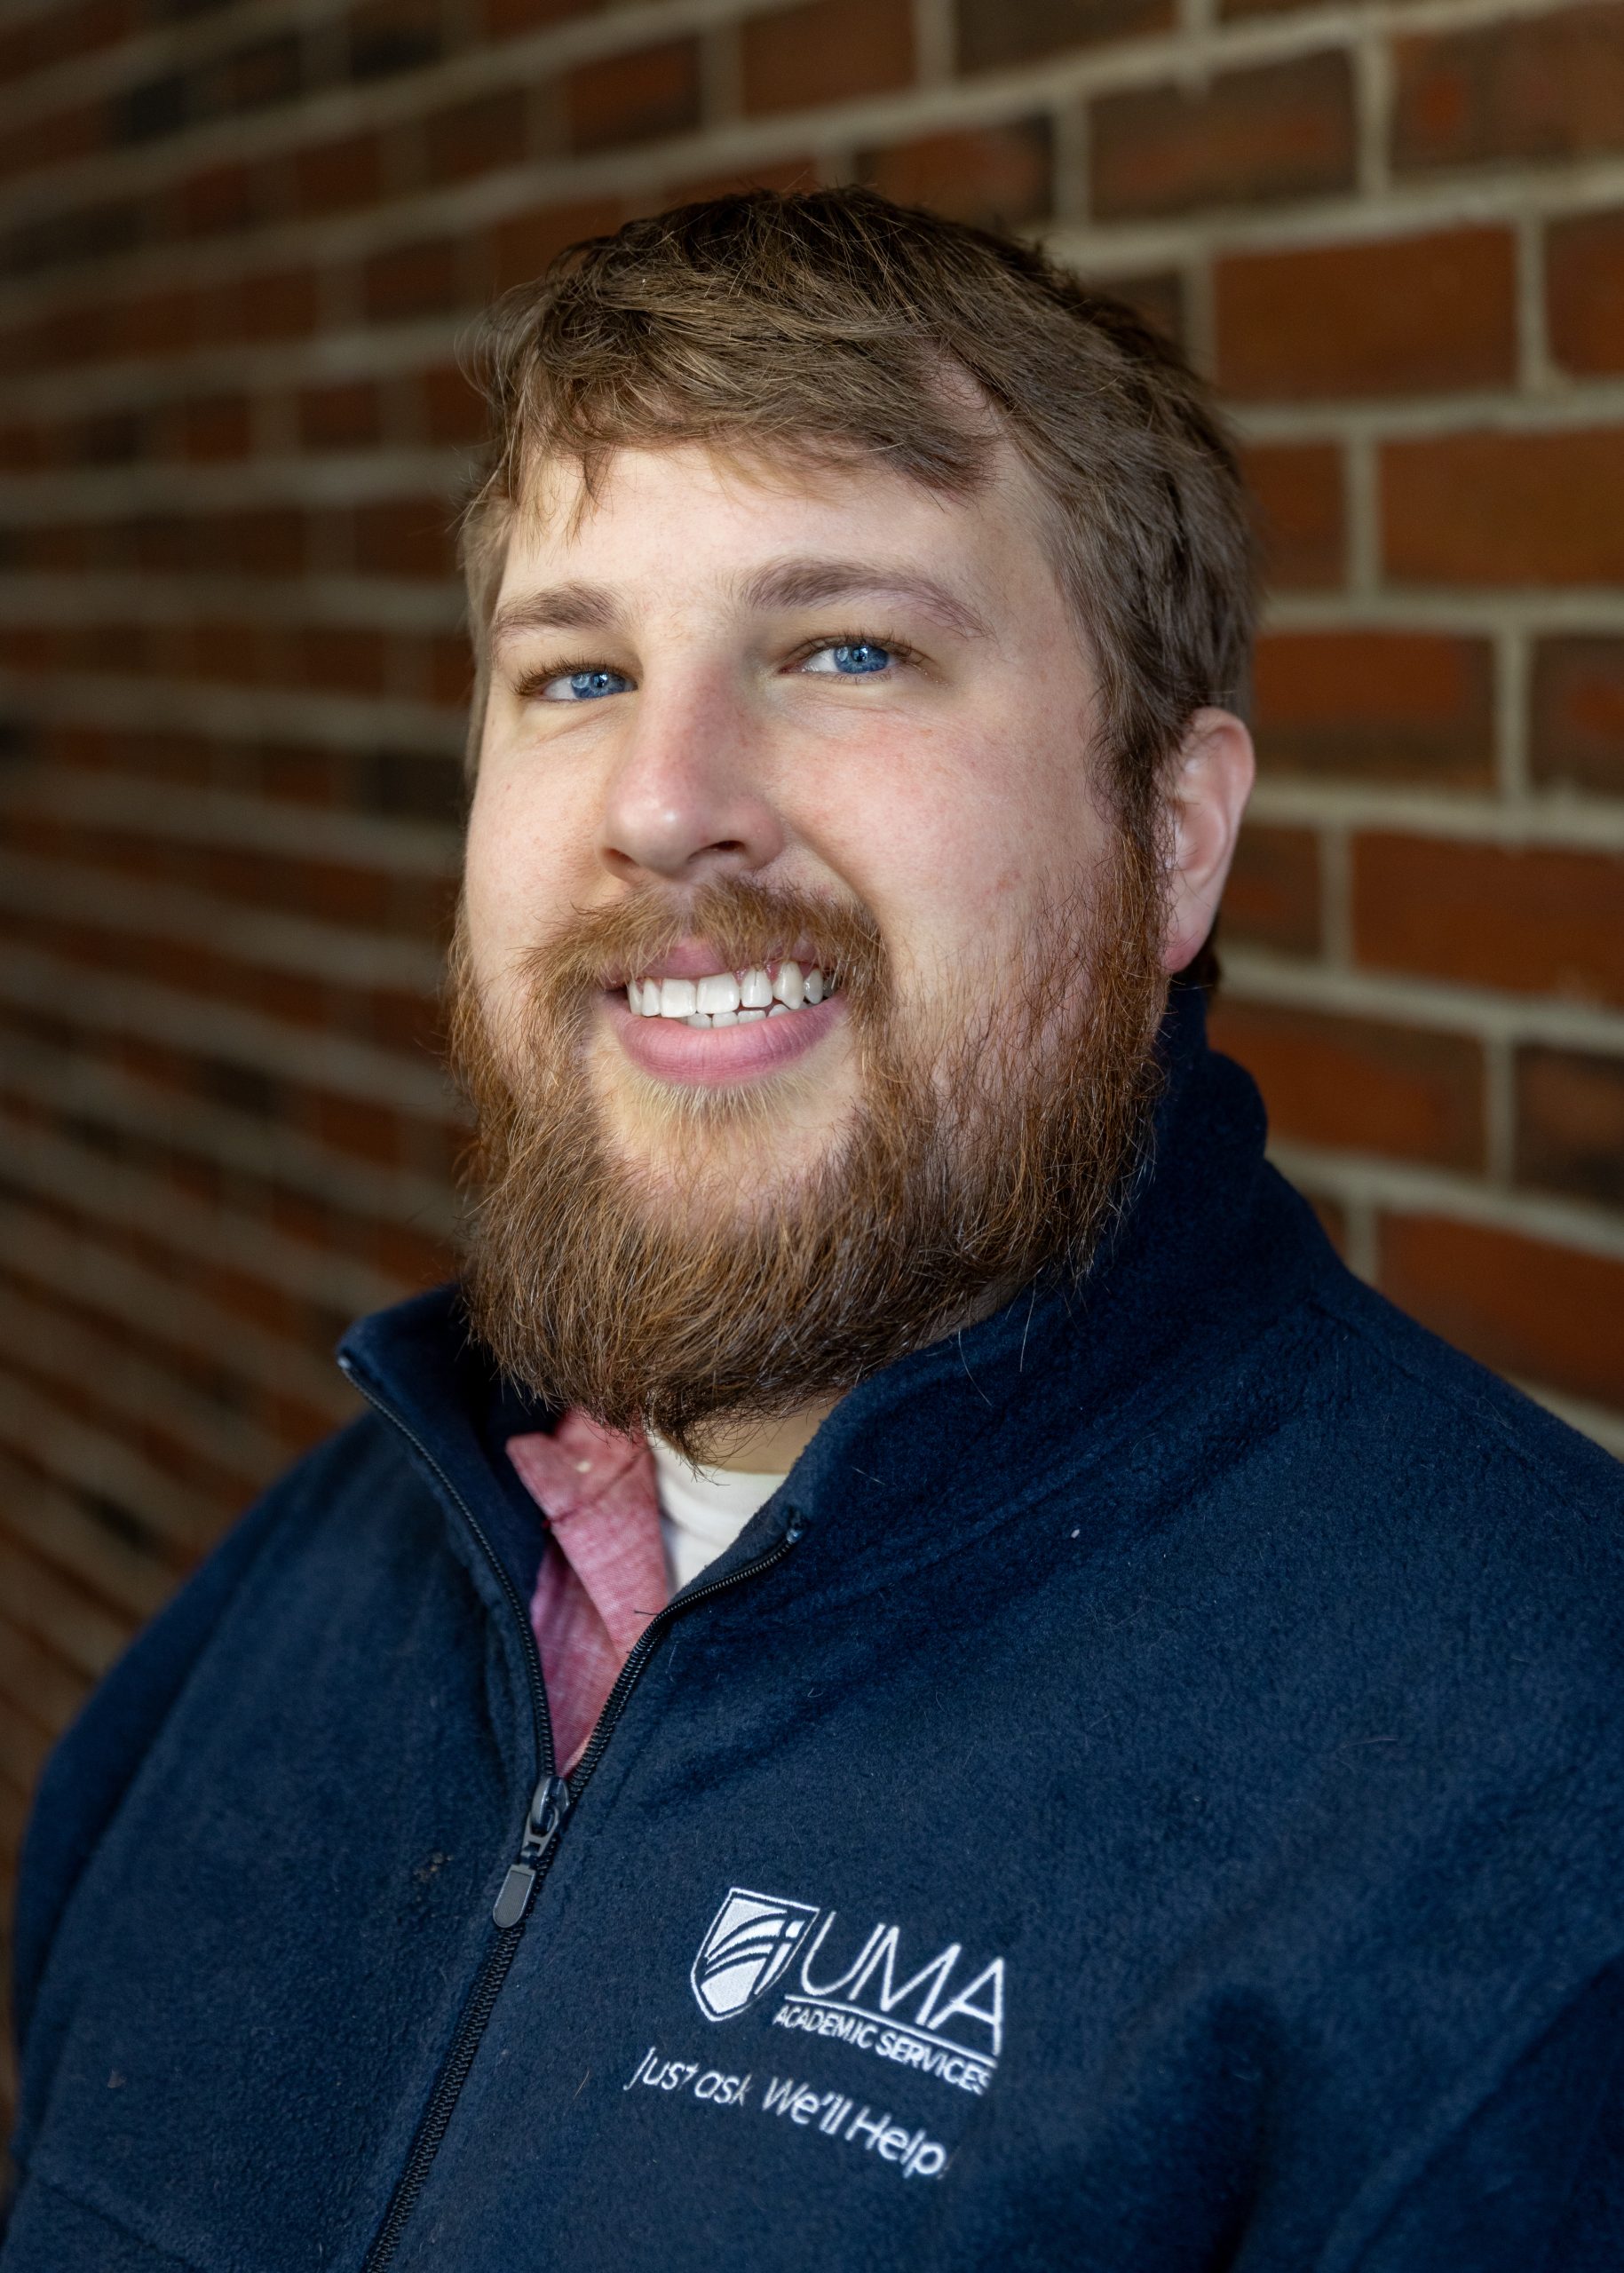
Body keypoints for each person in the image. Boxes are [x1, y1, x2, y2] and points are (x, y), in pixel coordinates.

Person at [4, 188, 1622, 2273]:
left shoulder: (1536, 1796)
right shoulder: (287, 1607)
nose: (666, 797)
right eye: (576, 672)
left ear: (1174, 836)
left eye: (847, 648)